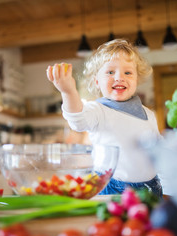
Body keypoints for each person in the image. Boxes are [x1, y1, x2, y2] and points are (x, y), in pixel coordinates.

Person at [46, 39, 163, 198]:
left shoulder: (149, 114)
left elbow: (158, 150)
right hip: (111, 186)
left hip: (150, 187)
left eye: (127, 72)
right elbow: (77, 120)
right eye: (110, 72)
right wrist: (68, 92)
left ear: (136, 79)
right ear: (97, 81)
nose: (119, 77)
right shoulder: (97, 110)